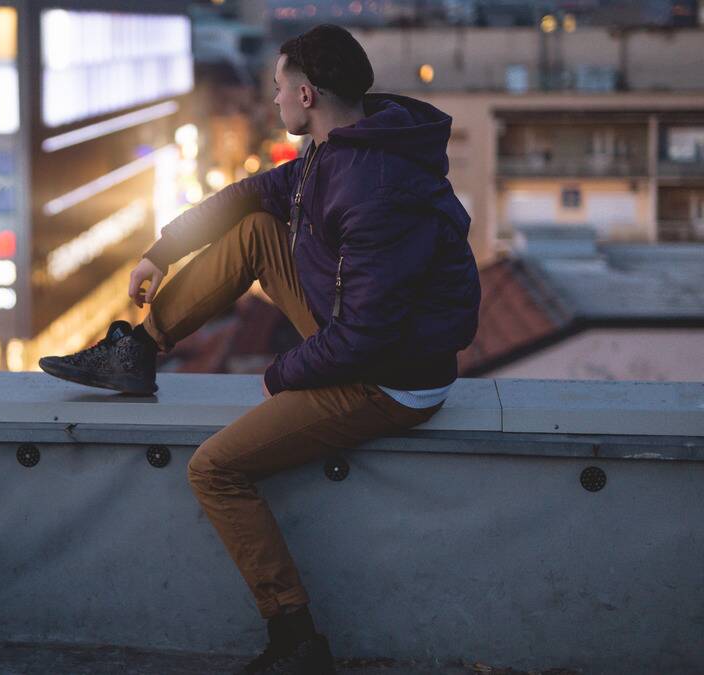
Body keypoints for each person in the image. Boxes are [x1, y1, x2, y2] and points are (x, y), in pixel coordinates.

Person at [39, 24, 481, 675]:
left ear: (306, 94)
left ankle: (295, 634)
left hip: (388, 378)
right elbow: (248, 199)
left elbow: (365, 338)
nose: (271, 100)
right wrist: (160, 251)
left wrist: (282, 374)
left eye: (277, 88)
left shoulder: (372, 187)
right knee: (253, 229)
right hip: (359, 336)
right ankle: (137, 349)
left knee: (215, 468)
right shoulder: (336, 149)